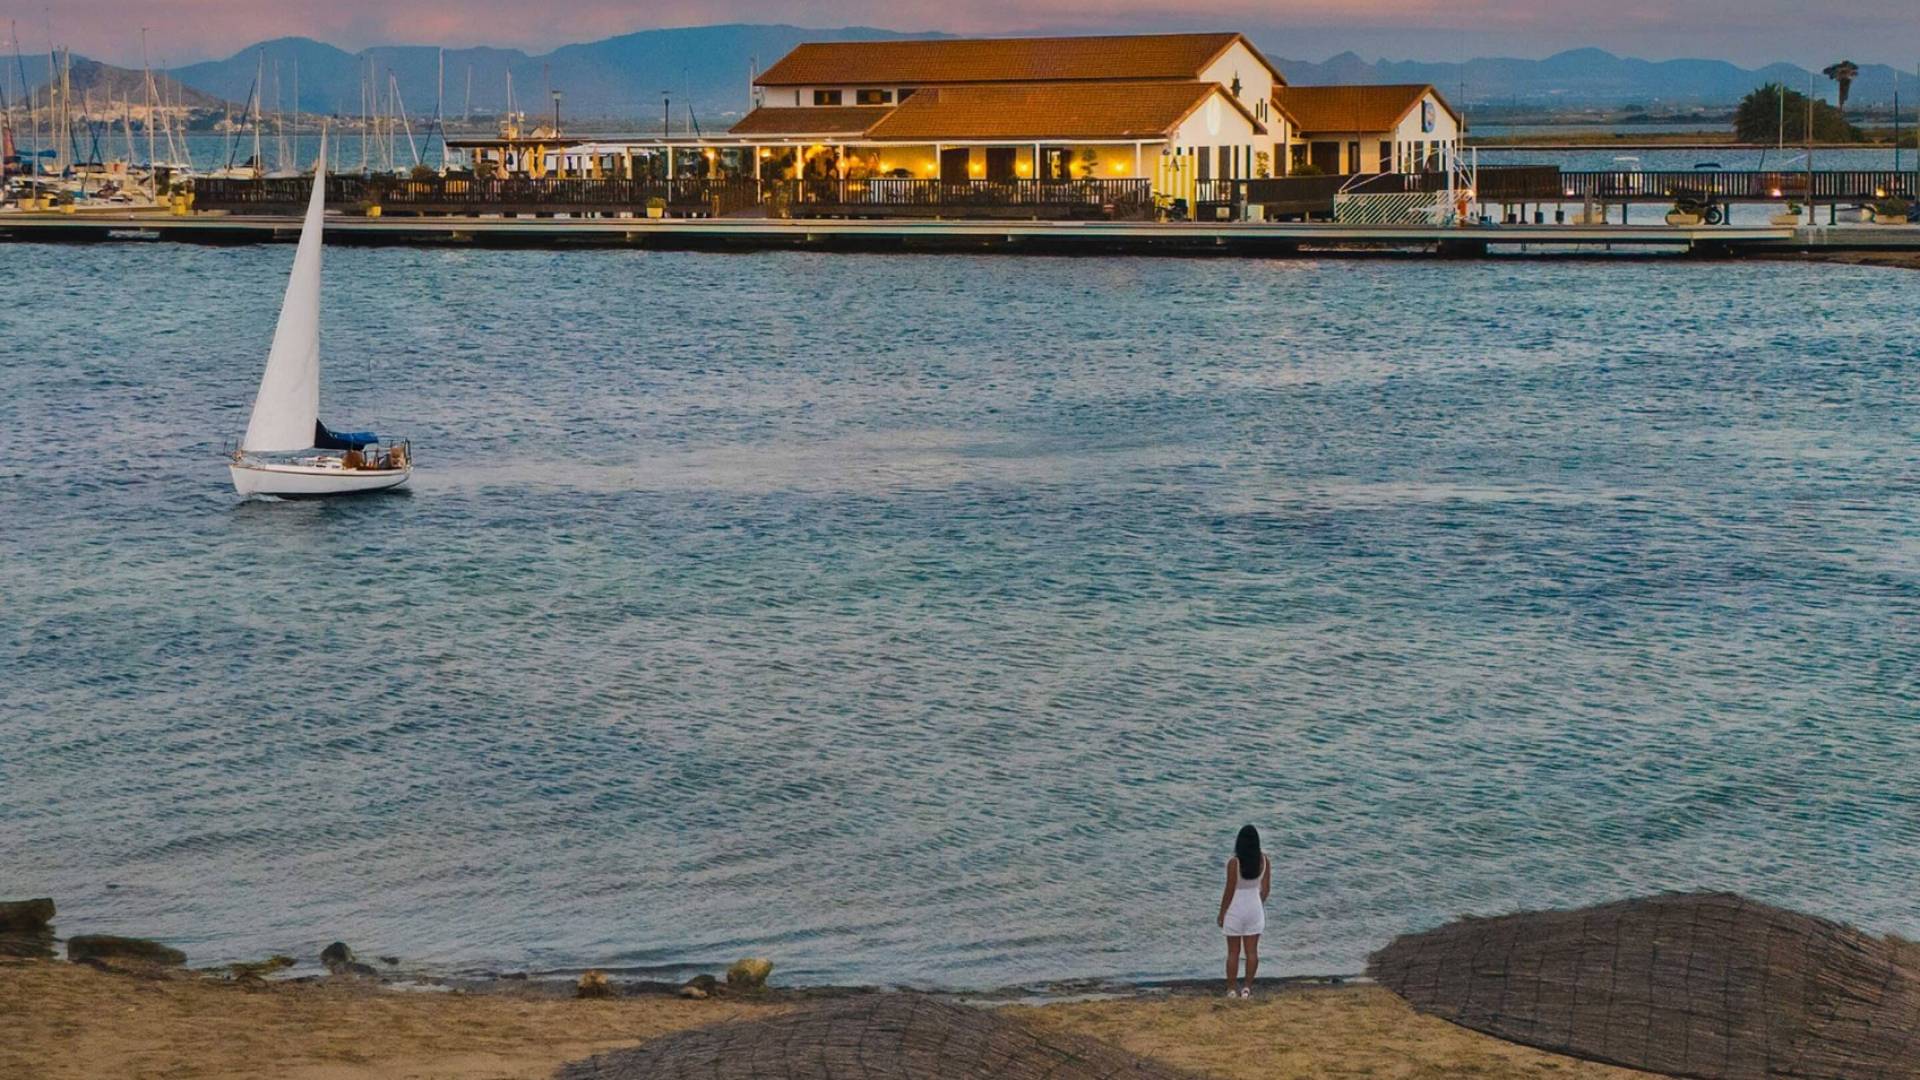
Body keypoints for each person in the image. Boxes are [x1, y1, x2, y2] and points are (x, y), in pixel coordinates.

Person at [1216, 824, 1270, 998]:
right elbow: (1266, 889)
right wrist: (1257, 903)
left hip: (1236, 909)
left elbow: (1229, 890)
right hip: (1254, 908)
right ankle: (1247, 988)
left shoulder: (1234, 863)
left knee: (1233, 952)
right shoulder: (1264, 861)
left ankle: (1231, 988)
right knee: (1252, 951)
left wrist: (1222, 912)